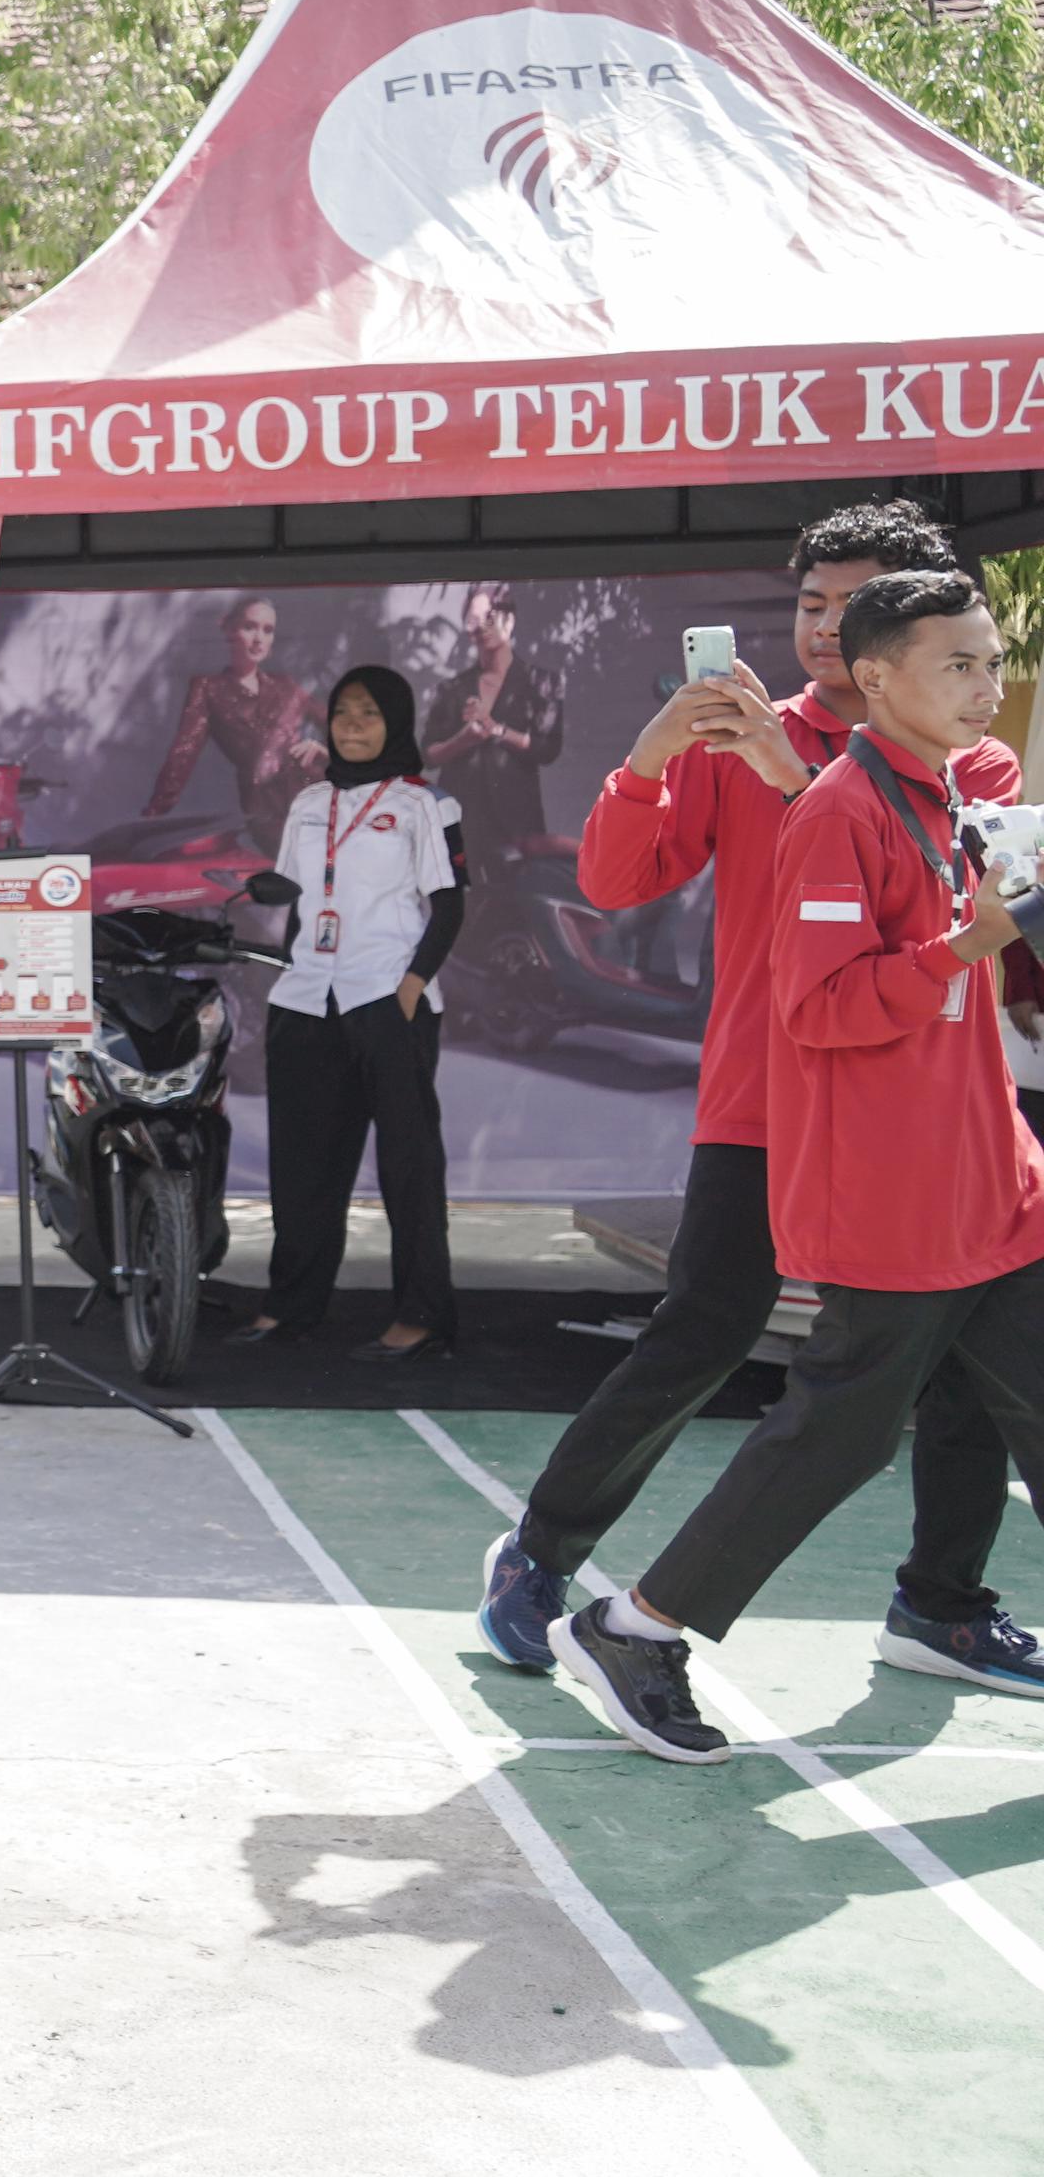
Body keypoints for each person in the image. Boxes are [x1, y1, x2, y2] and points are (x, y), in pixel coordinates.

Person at [480, 503, 1043, 1693]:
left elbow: (927, 892)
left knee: (960, 1373)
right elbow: (614, 877)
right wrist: (649, 755)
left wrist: (802, 777)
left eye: (856, 606)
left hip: (914, 1111)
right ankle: (540, 1550)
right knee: (708, 1327)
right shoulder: (740, 734)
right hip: (768, 1094)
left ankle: (940, 1603)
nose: (826, 629)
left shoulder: (960, 748)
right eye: (808, 604)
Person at [241, 667, 468, 1357]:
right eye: (342, 713)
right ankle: (294, 1305)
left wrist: (411, 985)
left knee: (408, 1164)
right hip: (308, 998)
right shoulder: (308, 802)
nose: (353, 726)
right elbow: (297, 899)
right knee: (303, 1164)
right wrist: (291, 971)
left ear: (395, 722)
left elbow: (451, 905)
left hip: (385, 998)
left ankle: (422, 1314)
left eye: (369, 714)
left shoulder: (426, 804)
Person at [146, 594, 322, 850]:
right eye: (249, 627)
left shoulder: (286, 686)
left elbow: (339, 724)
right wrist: (154, 816)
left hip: (313, 792)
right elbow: (183, 754)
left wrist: (323, 749)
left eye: (268, 630)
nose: (259, 638)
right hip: (265, 805)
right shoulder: (209, 689)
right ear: (228, 629)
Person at [423, 581, 564, 877]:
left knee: (519, 907)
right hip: (461, 820)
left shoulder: (541, 682)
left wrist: (497, 730)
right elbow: (429, 755)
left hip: (517, 821)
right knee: (465, 911)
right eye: (473, 620)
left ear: (509, 620)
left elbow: (547, 749)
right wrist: (463, 740)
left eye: (490, 617)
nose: (481, 627)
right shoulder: (453, 688)